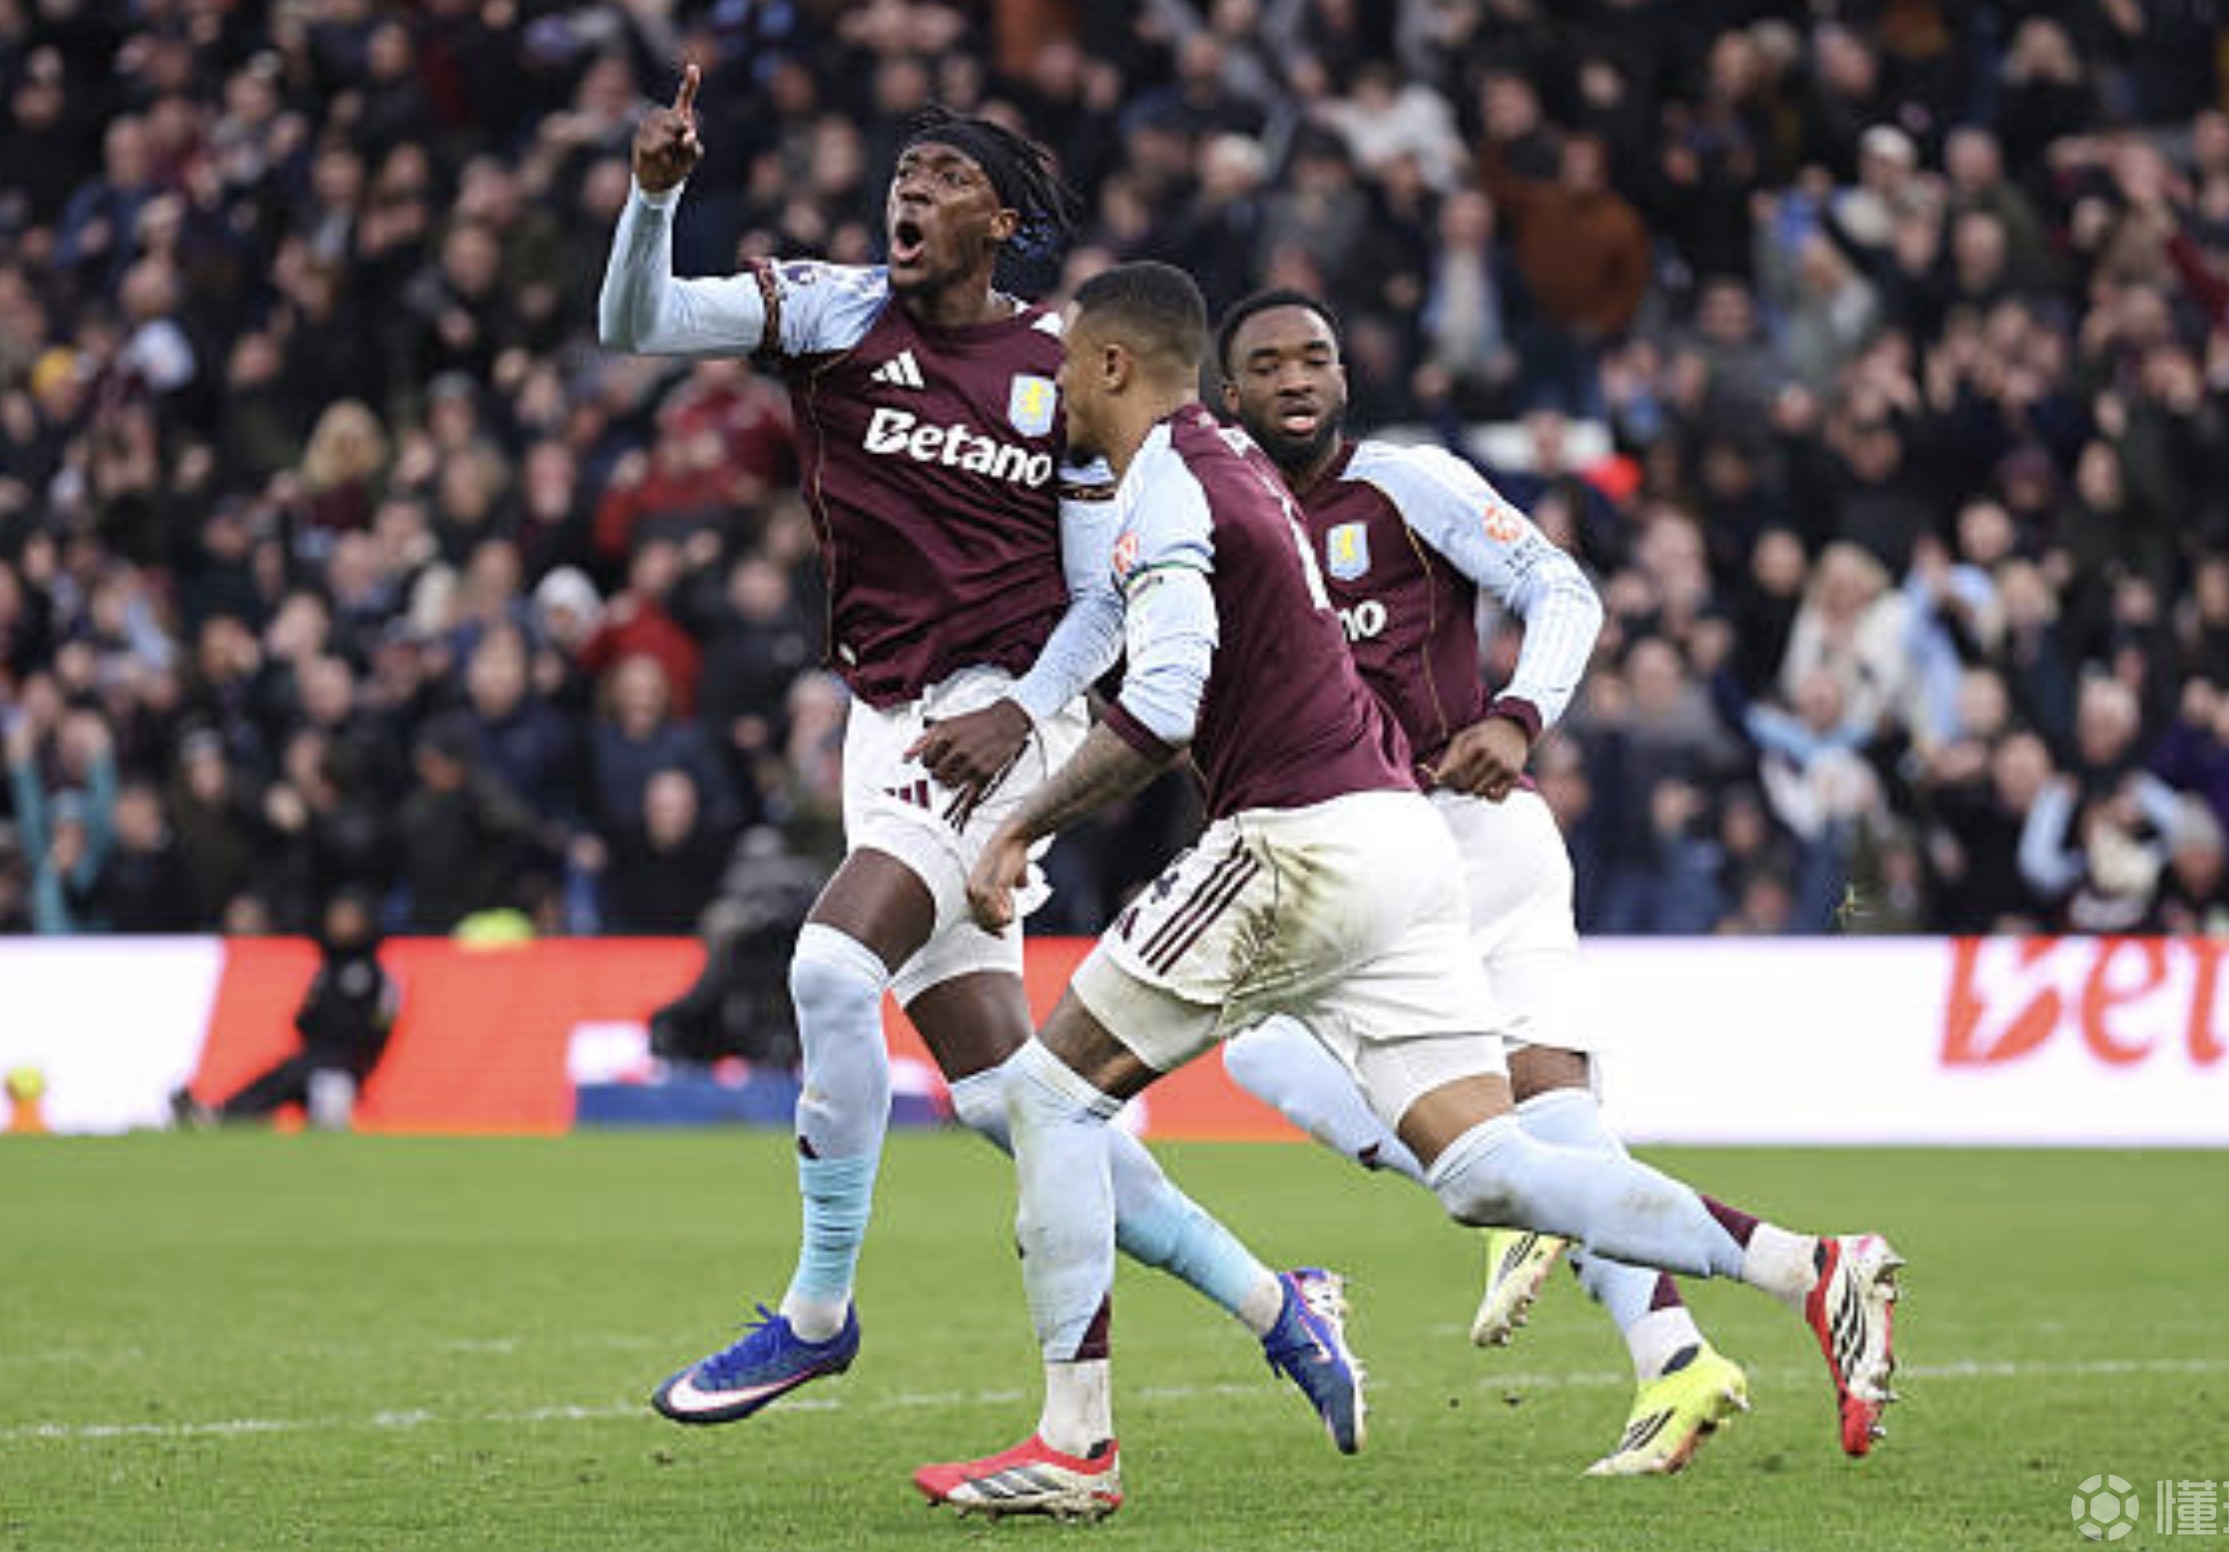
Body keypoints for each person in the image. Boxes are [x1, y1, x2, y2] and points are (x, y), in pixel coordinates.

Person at [913, 263, 1903, 1521]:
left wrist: (1015, 827)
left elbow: (1159, 709)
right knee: (1489, 1167)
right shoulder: (1233, 468)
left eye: (1063, 365)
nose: (1051, 388)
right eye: (1266, 365)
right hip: (1398, 841)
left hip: (1298, 840)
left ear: (1111, 366)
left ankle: (1075, 1446)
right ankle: (1811, 1267)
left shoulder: (1179, 483)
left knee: (1047, 1097)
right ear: (1220, 384)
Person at [597, 74, 1352, 1443]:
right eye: (907, 172)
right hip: (888, 726)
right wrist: (654, 200)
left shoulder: (1067, 367)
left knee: (828, 968)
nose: (913, 190)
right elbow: (635, 322)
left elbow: (1102, 595)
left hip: (1010, 717)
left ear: (999, 221)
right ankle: (1278, 1302)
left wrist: (1025, 710)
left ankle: (817, 1312)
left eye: (946, 178)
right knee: (1019, 1104)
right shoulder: (834, 313)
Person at [1210, 286, 1754, 1477]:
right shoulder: (1219, 514)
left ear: (1343, 378)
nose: (1296, 377)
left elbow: (1560, 587)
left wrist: (1517, 714)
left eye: (1315, 356)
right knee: (1531, 1109)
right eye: (1269, 362)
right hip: (1359, 847)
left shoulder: (1410, 483)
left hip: (1466, 830)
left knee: (1282, 1045)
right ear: (1230, 392)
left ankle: (1534, 1221)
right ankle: (1664, 1345)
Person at [173, 889, 398, 1131]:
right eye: (336, 916)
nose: (338, 924)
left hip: (343, 1067)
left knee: (300, 1076)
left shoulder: (375, 974)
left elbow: (377, 1027)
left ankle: (224, 1116)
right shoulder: (329, 967)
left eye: (347, 917)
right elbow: (304, 1020)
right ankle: (223, 1114)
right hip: (314, 1057)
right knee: (278, 1075)